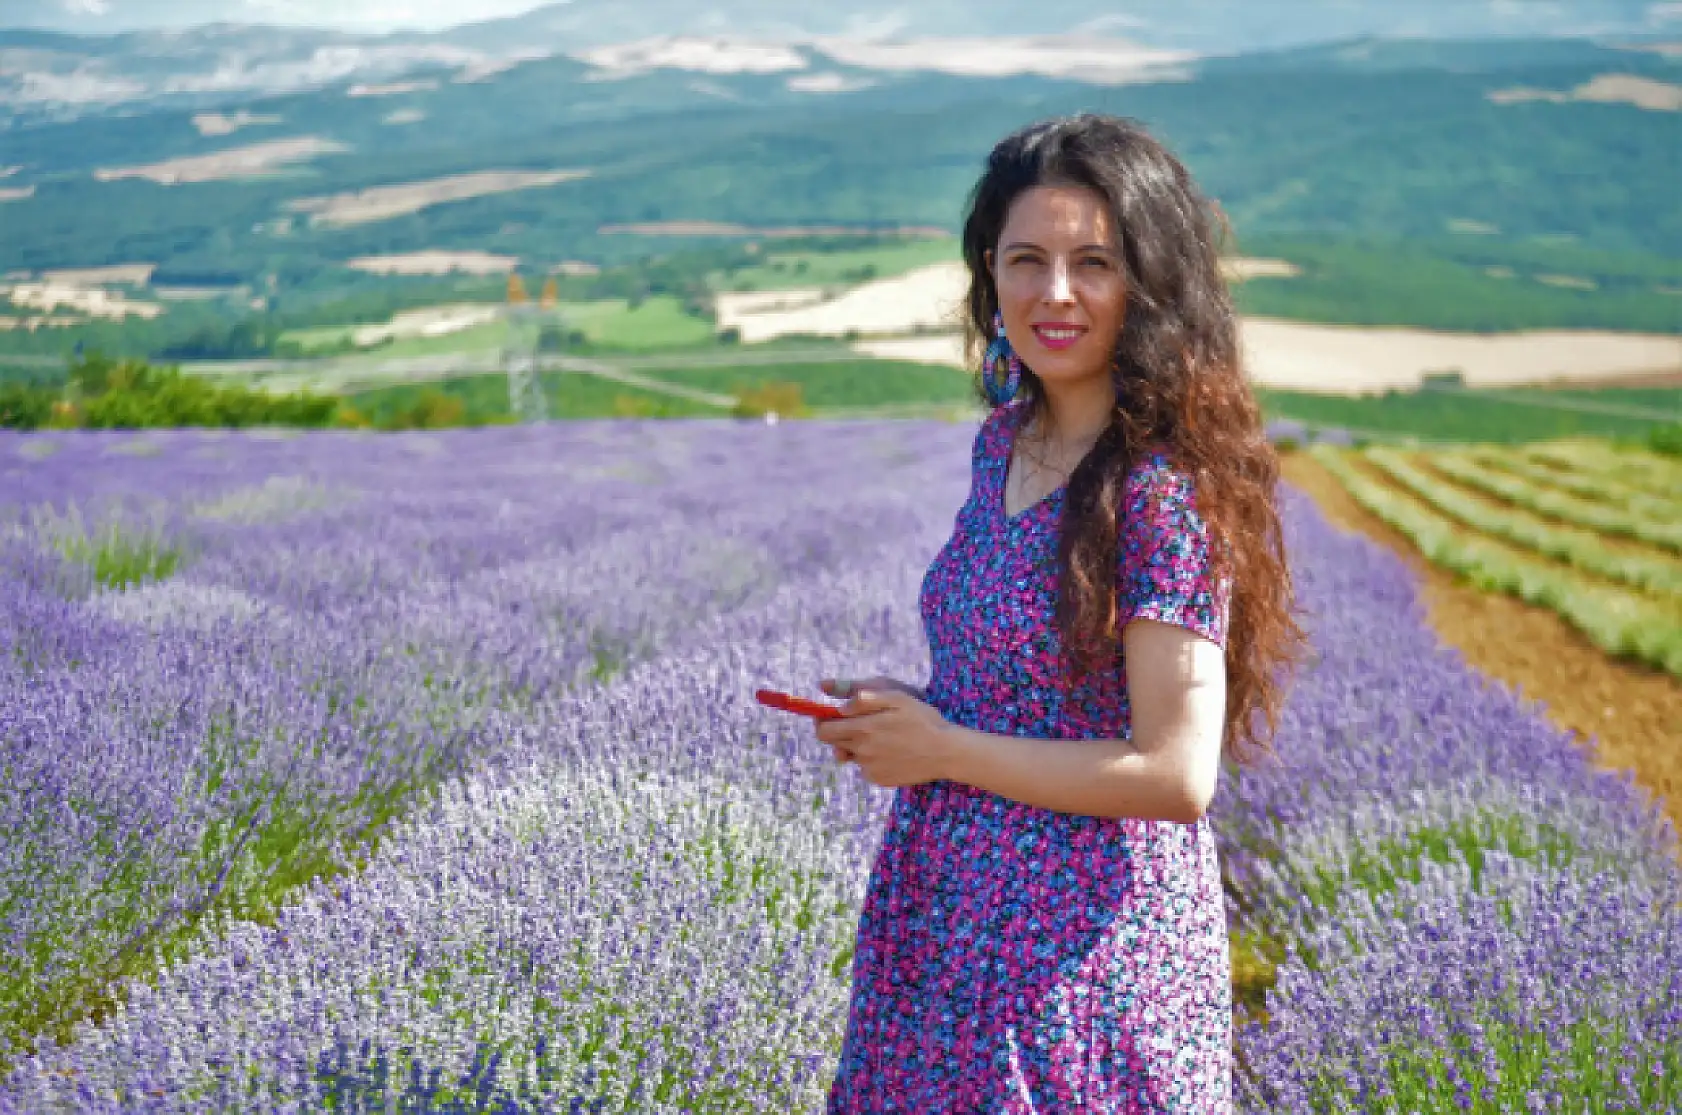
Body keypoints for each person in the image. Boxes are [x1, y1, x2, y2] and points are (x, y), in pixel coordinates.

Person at [815, 114, 1311, 1112]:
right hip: (946, 926)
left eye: (1092, 262)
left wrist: (943, 747)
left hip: (1079, 956)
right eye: (1024, 259)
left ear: (1147, 285)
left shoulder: (1159, 490)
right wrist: (911, 710)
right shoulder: (1002, 442)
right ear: (985, 276)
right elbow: (1018, 688)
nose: (1053, 292)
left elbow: (1174, 773)